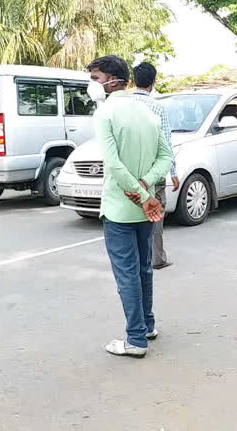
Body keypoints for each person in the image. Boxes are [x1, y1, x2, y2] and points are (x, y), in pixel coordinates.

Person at [87, 55, 174, 358]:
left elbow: (113, 165)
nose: (93, 86)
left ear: (112, 79)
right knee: (143, 269)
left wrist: (138, 191)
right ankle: (147, 325)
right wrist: (147, 187)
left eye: (95, 79)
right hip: (144, 207)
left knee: (127, 274)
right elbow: (166, 158)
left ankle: (135, 339)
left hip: (120, 208)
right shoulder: (147, 111)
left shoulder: (105, 114)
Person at [131, 62, 180, 270]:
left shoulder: (124, 105)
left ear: (133, 81)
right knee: (156, 214)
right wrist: (174, 172)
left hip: (130, 171)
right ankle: (157, 258)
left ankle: (134, 258)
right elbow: (166, 144)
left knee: (130, 213)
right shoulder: (158, 107)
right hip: (154, 172)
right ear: (153, 82)